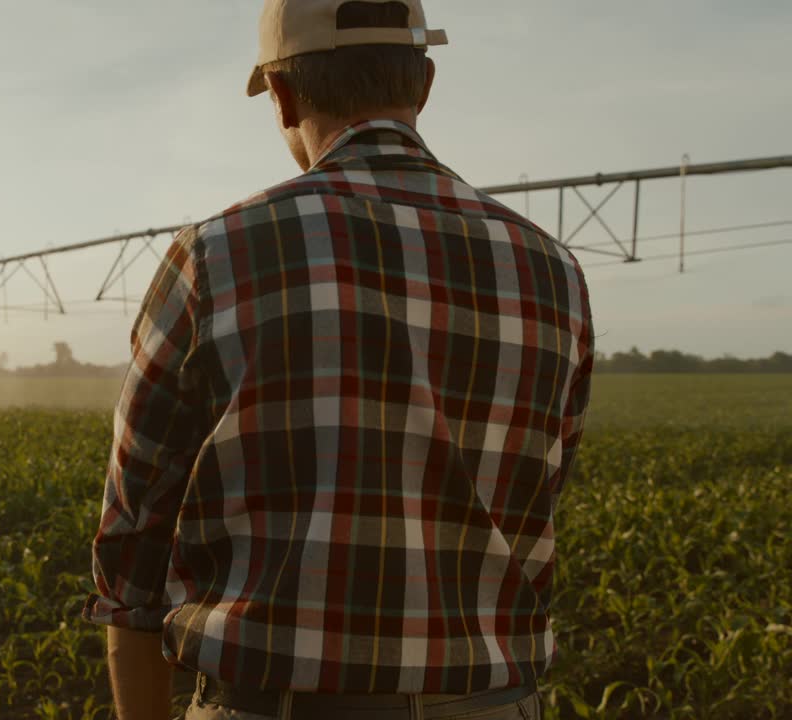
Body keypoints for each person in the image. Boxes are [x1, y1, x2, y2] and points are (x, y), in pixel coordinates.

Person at [84, 1, 594, 718]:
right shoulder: (553, 269)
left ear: (284, 95)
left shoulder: (215, 254)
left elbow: (133, 541)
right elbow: (541, 490)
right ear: (424, 84)